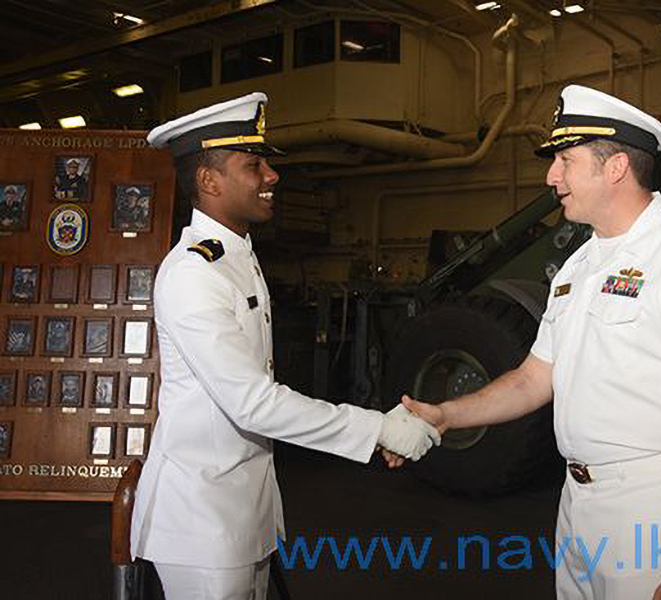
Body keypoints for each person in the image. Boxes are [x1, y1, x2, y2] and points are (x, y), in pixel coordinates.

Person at [400, 84, 661, 599]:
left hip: (654, 510)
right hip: (577, 505)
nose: (552, 176)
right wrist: (446, 415)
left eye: (565, 160)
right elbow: (533, 378)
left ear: (614, 167)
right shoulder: (580, 264)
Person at [132, 92, 440, 600]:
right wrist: (377, 427)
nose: (271, 175)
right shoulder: (194, 272)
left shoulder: (236, 256)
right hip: (202, 521)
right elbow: (252, 402)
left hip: (242, 510)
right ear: (209, 181)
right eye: (253, 165)